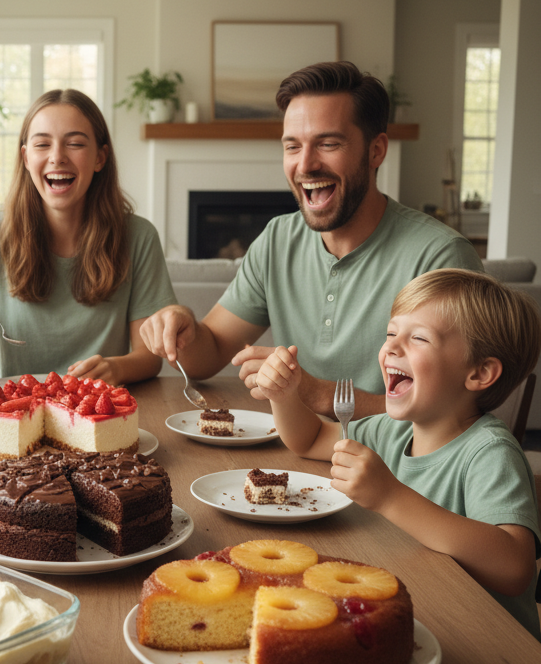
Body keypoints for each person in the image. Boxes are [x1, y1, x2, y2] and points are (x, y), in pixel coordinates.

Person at [140, 61, 483, 420]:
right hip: (290, 454)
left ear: (376, 150)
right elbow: (207, 356)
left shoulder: (440, 256)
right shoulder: (277, 239)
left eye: (328, 143)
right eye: (292, 147)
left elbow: (458, 408)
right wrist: (183, 326)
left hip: (390, 468)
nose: (305, 165)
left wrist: (319, 394)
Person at [254, 268, 540, 640]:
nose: (391, 347)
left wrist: (390, 497)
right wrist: (284, 395)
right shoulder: (392, 430)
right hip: (425, 618)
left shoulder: (489, 452)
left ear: (479, 373)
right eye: (391, 333)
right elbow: (308, 440)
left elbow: (515, 568)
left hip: (491, 642)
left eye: (418, 338)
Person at [0, 88, 176, 384]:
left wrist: (116, 368)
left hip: (94, 409)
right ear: (26, 158)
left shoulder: (139, 237)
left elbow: (150, 357)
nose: (57, 157)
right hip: (14, 408)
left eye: (75, 143)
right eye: (42, 144)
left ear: (100, 157)